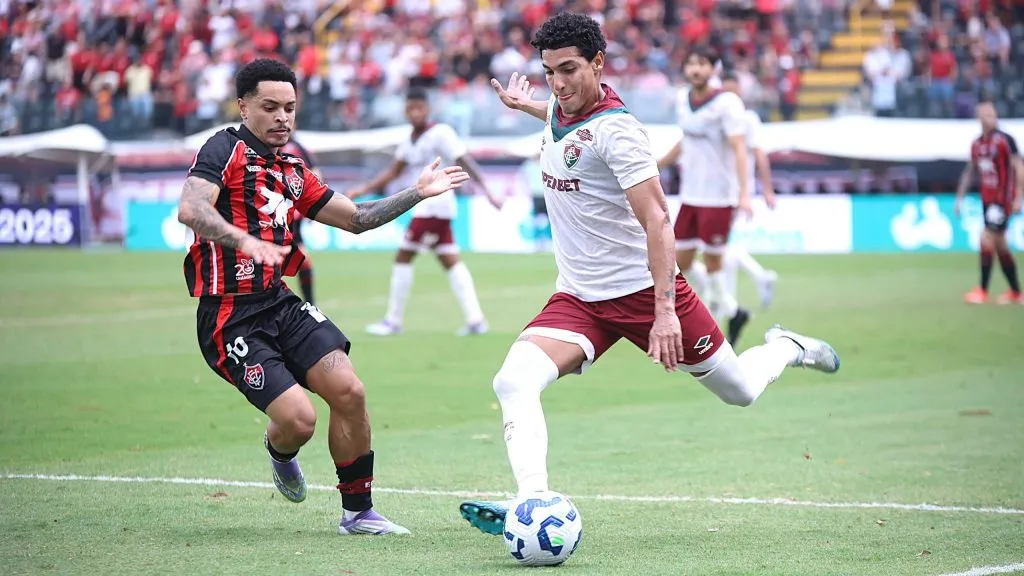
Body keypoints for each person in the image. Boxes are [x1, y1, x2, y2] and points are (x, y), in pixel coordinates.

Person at [456, 13, 841, 537]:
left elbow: (659, 221)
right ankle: (533, 502)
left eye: (569, 69)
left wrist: (663, 313)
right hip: (580, 298)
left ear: (598, 62)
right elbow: (559, 118)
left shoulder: (618, 131)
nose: (558, 83)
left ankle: (788, 346)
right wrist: (526, 104)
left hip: (644, 294)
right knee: (513, 380)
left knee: (740, 390)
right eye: (549, 72)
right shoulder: (559, 110)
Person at [176, 58, 470, 536]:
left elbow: (357, 219)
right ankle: (281, 450)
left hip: (278, 302)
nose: (282, 118)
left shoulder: (293, 170)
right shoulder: (222, 148)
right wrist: (243, 240)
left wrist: (416, 193)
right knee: (299, 420)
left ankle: (358, 513)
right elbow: (190, 208)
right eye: (270, 107)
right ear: (244, 105)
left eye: (290, 108)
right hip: (230, 316)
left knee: (350, 391)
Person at [347, 88, 504, 336]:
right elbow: (393, 172)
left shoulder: (440, 133)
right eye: (410, 109)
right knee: (449, 260)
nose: (415, 113)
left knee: (403, 257)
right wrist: (362, 190)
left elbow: (464, 160)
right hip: (430, 207)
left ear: (427, 109)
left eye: (419, 108)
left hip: (434, 205)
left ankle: (393, 321)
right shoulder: (409, 140)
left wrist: (488, 190)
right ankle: (476, 320)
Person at [658, 47, 753, 347]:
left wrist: (745, 193)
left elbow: (739, 147)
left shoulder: (727, 103)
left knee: (713, 262)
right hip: (691, 196)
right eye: (691, 63)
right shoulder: (683, 100)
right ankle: (733, 311)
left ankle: (712, 322)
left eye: (702, 64)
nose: (695, 69)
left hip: (718, 197)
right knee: (677, 264)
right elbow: (686, 142)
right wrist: (656, 165)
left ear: (714, 68)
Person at [685, 71, 779, 345]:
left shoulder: (747, 120)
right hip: (710, 192)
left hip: (730, 194)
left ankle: (724, 305)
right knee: (714, 254)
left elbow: (758, 153)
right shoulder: (712, 115)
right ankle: (733, 301)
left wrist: (762, 191)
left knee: (718, 253)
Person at [956, 101, 1024, 304]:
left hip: (1003, 199)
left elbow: (1019, 168)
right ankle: (1016, 293)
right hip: (987, 200)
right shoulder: (977, 144)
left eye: (992, 114)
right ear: (978, 118)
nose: (990, 118)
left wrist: (1018, 197)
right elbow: (970, 172)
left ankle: (982, 291)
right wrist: (959, 198)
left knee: (986, 238)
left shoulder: (1005, 140)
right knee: (1001, 245)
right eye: (985, 115)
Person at [280, 134, 318, 305]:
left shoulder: (299, 148)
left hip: (291, 214)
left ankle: (310, 304)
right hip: (268, 213)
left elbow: (315, 173)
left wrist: (314, 205)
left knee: (303, 259)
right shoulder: (257, 147)